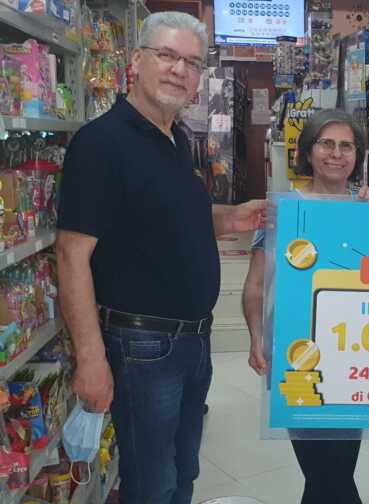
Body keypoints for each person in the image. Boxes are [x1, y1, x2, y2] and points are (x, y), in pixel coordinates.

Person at [56, 12, 266, 504]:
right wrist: (90, 357)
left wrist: (233, 217)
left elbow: (173, 218)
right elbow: (71, 254)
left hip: (192, 341)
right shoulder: (101, 142)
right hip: (142, 345)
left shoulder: (177, 138)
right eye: (167, 55)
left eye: (191, 63)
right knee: (152, 485)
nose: (179, 70)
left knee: (183, 471)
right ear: (136, 60)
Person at [242, 108, 369, 504]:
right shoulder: (283, 210)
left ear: (358, 155)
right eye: (326, 144)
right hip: (297, 352)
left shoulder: (367, 208)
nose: (336, 154)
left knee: (332, 472)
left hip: (355, 353)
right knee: (327, 474)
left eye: (346, 146)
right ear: (307, 151)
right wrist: (256, 336)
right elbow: (255, 284)